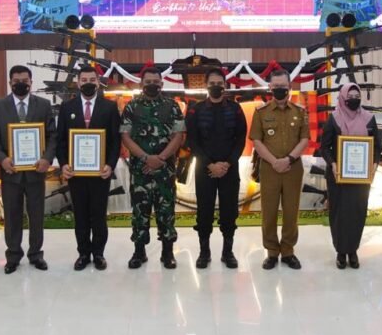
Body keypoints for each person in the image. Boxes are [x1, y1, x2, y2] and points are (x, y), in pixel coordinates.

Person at [0, 65, 57, 274]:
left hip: (36, 172)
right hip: (10, 173)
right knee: (12, 216)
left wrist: (47, 159)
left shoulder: (43, 105)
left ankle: (36, 254)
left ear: (31, 82)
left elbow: (52, 136)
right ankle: (13, 255)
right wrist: (2, 159)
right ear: (10, 82)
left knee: (36, 216)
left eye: (25, 81)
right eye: (16, 81)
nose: (20, 84)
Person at [57, 66, 121, 271]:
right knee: (81, 215)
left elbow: (115, 141)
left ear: (98, 82)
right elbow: (60, 141)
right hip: (75, 173)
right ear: (77, 83)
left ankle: (99, 253)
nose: (88, 83)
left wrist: (110, 165)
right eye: (84, 80)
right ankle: (83, 253)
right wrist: (64, 164)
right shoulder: (67, 107)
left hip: (100, 173)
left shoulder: (109, 107)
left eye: (92, 79)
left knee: (98, 215)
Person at [120, 67, 185, 270]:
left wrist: (161, 158)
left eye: (155, 82)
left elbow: (179, 135)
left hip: (165, 170)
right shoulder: (131, 106)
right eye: (148, 82)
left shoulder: (172, 106)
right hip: (141, 170)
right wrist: (146, 158)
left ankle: (167, 252)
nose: (152, 85)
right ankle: (139, 251)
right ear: (141, 84)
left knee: (166, 211)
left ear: (161, 84)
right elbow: (125, 136)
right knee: (140, 211)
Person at [185, 68, 248, 269]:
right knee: (204, 211)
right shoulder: (196, 110)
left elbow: (240, 139)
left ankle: (227, 252)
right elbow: (192, 141)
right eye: (212, 83)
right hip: (204, 169)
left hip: (230, 168)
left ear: (225, 85)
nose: (216, 87)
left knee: (229, 211)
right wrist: (209, 164)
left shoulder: (235, 109)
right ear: (206, 85)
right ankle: (204, 252)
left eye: (219, 83)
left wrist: (227, 163)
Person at [249, 69, 310, 270]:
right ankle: (272, 252)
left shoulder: (300, 111)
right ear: (270, 88)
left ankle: (288, 251)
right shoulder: (261, 112)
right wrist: (274, 161)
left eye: (283, 87)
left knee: (291, 211)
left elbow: (304, 139)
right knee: (269, 211)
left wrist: (289, 159)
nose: (280, 90)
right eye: (276, 87)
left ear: (290, 87)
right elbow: (257, 141)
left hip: (293, 168)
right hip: (269, 168)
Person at [320, 83, 381, 269]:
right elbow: (324, 147)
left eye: (357, 96)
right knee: (339, 213)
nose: (354, 100)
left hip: (361, 177)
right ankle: (340, 251)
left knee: (357, 212)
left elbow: (377, 147)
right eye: (350, 96)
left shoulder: (369, 118)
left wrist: (374, 164)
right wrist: (333, 163)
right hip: (338, 175)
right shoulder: (334, 118)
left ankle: (353, 250)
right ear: (342, 98)